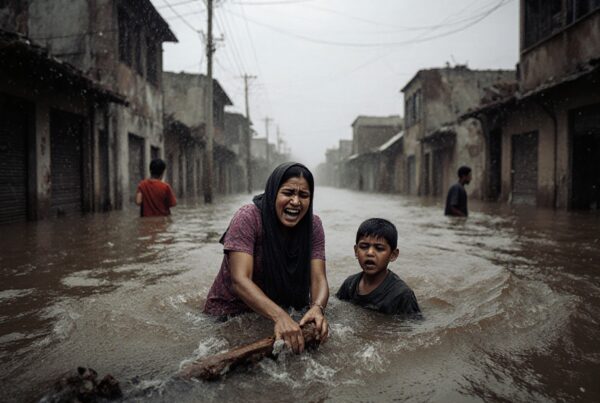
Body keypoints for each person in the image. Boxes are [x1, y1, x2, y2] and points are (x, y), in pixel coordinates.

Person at [204, 162, 329, 353]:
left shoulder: (313, 226)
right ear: (272, 193)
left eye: (303, 195)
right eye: (288, 193)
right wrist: (279, 316)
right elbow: (240, 280)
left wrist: (318, 308)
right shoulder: (248, 218)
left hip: (281, 311)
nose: (296, 202)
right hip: (229, 315)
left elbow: (318, 278)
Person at [336, 218, 420, 316]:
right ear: (356, 251)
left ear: (393, 255)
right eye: (364, 247)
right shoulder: (350, 284)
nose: (370, 253)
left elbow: (412, 326)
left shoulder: (402, 295)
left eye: (379, 248)